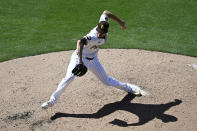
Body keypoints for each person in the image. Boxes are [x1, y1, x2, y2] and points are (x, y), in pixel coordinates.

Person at [42, 10, 147, 109]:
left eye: (102, 32)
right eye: (99, 31)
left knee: (106, 81)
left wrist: (121, 22)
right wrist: (80, 61)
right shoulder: (92, 36)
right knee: (69, 78)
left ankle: (129, 88)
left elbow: (106, 12)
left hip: (93, 60)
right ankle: (52, 100)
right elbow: (80, 42)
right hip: (79, 58)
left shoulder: (103, 22)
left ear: (106, 31)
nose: (99, 33)